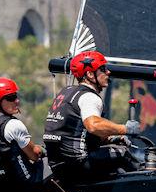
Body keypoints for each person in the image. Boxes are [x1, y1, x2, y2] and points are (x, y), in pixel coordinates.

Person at [43, 50, 141, 181]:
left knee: (113, 154)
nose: (108, 72)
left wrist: (111, 139)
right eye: (103, 69)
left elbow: (77, 133)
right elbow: (93, 126)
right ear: (89, 74)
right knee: (122, 153)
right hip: (78, 165)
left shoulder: (67, 91)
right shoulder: (89, 97)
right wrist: (126, 129)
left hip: (59, 166)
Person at [0, 76, 46, 192]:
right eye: (11, 98)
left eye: (16, 96)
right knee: (51, 163)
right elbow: (34, 155)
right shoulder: (13, 124)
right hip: (21, 183)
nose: (17, 101)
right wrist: (41, 149)